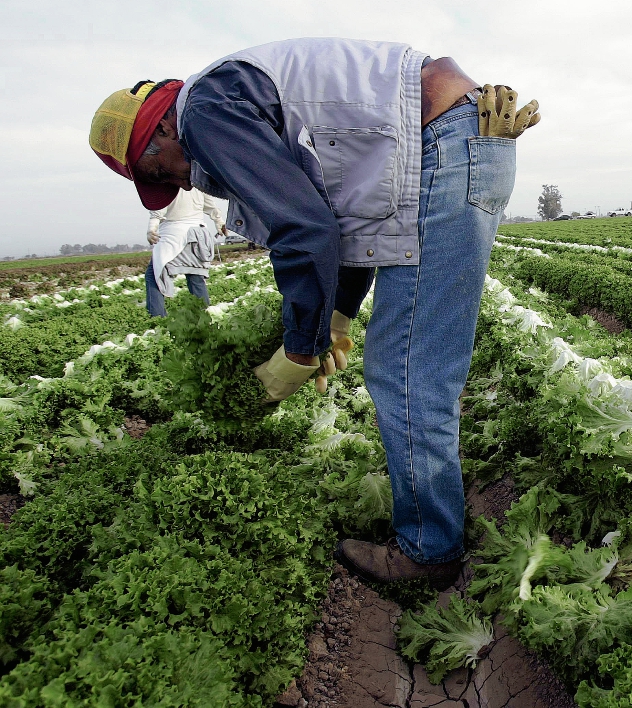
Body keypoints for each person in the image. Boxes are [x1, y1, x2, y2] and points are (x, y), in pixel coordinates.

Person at [89, 39, 540, 587]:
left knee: (406, 369)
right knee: (414, 366)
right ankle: (434, 531)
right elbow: (346, 215)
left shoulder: (203, 113)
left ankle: (429, 552)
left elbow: (307, 229)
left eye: (154, 169)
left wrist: (301, 347)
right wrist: (336, 317)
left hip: (444, 145)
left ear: (161, 129)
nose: (175, 183)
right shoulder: (228, 97)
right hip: (457, 140)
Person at [144, 188, 225, 316]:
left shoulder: (167, 176)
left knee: (154, 275)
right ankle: (203, 318)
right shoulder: (195, 176)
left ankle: (157, 318)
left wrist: (152, 228)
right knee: (195, 275)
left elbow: (159, 205)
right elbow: (210, 204)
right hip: (198, 234)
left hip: (174, 235)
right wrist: (219, 222)